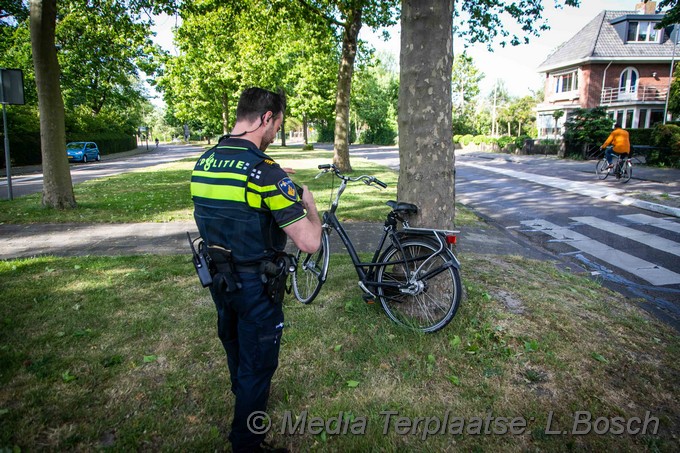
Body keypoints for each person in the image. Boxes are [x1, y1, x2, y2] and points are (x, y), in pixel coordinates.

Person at [190, 87, 321, 453]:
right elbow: (309, 242)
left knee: (234, 345)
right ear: (266, 118)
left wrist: (275, 178)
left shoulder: (206, 161)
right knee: (258, 364)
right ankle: (247, 443)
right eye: (277, 126)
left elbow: (233, 208)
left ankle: (243, 395)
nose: (275, 134)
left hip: (218, 277)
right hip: (254, 285)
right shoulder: (264, 173)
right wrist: (309, 206)